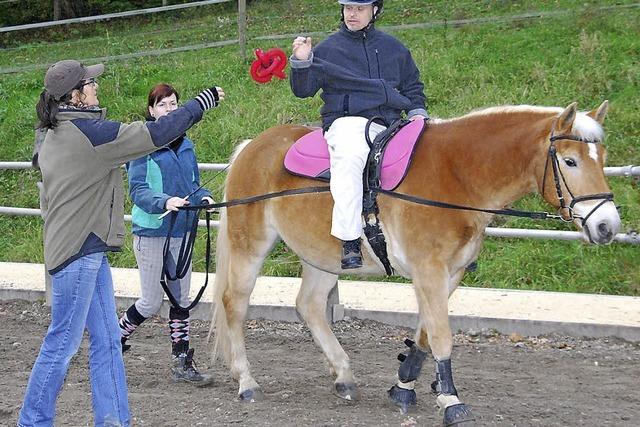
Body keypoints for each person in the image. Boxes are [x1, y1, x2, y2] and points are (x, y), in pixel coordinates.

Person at [19, 59, 221, 427]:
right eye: (90, 84)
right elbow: (157, 133)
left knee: (108, 340)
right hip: (79, 252)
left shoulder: (53, 133)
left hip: (86, 249)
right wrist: (199, 104)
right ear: (76, 96)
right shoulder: (91, 134)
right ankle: (32, 421)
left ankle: (113, 421)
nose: (97, 87)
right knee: (63, 343)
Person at [290, 0, 428, 269]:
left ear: (375, 10)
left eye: (359, 8)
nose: (352, 14)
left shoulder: (394, 48)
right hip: (347, 123)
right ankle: (350, 239)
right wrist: (302, 60)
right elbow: (303, 90)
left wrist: (418, 113)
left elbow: (413, 86)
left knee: (433, 150)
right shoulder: (328, 49)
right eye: (348, 8)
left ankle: (447, 233)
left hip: (391, 123)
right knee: (351, 157)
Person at [118, 83, 224, 386]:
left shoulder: (186, 145)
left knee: (180, 300)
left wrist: (203, 197)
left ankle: (181, 361)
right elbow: (138, 191)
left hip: (182, 231)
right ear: (151, 111)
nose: (169, 110)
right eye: (162, 105)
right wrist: (165, 201)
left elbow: (194, 183)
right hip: (152, 232)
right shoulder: (141, 146)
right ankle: (114, 340)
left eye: (174, 104)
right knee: (150, 302)